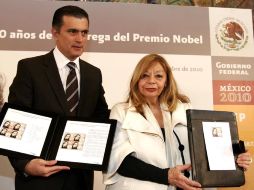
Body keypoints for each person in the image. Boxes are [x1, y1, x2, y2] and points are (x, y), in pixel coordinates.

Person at [103, 54, 252, 190]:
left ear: (167, 81)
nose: (151, 81)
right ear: (136, 80)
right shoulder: (121, 111)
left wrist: (232, 158)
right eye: (144, 76)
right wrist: (166, 176)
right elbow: (120, 162)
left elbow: (204, 150)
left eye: (159, 76)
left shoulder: (184, 109)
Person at [8, 5, 108, 190]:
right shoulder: (30, 69)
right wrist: (25, 165)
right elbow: (15, 122)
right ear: (55, 33)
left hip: (80, 179)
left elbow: (101, 118)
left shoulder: (93, 74)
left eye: (85, 33)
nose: (80, 39)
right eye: (72, 32)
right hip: (39, 180)